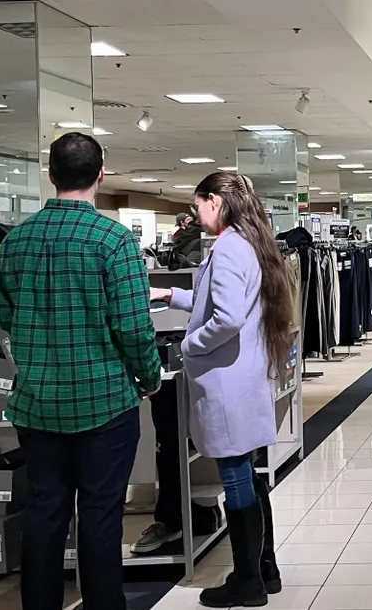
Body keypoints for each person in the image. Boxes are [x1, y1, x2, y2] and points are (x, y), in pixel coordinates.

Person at [0, 132, 162, 610]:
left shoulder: (18, 240)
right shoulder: (114, 241)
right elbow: (133, 327)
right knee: (101, 515)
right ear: (101, 174)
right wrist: (148, 376)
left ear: (50, 174)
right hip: (104, 402)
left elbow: (5, 316)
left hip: (36, 404)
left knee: (44, 514)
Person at [150, 172, 290, 607]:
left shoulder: (229, 247)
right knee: (246, 471)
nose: (196, 214)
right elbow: (218, 301)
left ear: (215, 201)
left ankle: (248, 579)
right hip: (242, 378)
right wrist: (172, 296)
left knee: (236, 475)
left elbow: (225, 318)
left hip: (227, 380)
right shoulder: (249, 244)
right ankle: (264, 568)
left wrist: (189, 345)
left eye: (199, 205)